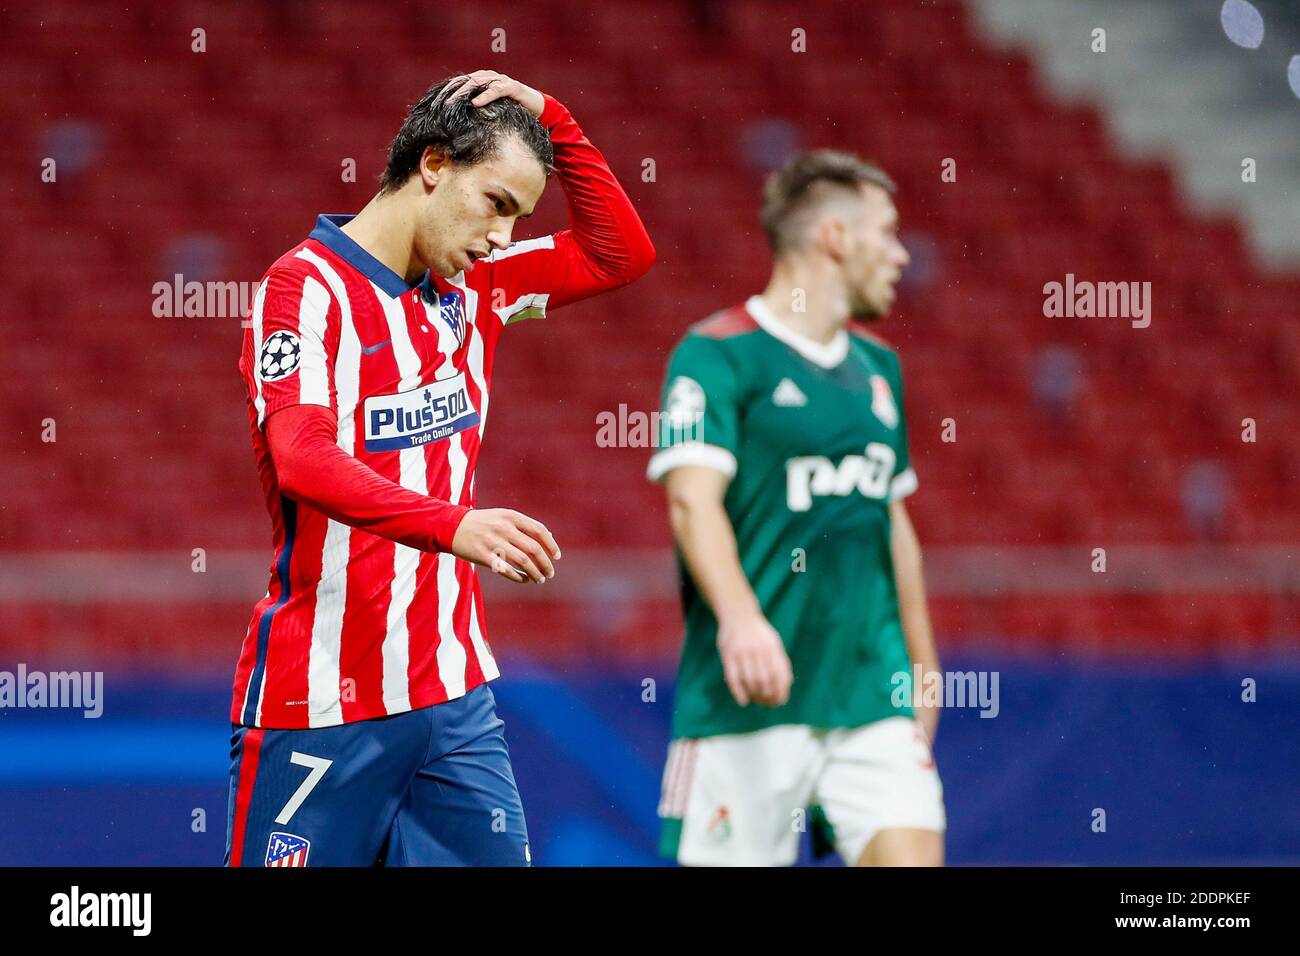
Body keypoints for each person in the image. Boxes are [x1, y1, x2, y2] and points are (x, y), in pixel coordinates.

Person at [226, 70, 654, 867]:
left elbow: (619, 254)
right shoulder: (302, 291)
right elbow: (302, 460)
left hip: (453, 700)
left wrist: (554, 119)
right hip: (321, 705)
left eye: (520, 218)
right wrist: (455, 525)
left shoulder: (479, 287)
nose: (503, 237)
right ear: (433, 164)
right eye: (497, 204)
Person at [647, 150, 943, 866]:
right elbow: (692, 503)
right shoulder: (716, 356)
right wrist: (743, 620)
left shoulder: (880, 370)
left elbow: (891, 523)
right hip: (747, 702)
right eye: (887, 233)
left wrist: (923, 668)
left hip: (869, 697)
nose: (900, 256)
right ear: (836, 237)